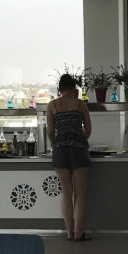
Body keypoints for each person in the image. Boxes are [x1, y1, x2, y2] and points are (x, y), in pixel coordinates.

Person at [46, 74, 92, 241]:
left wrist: (57, 142)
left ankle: (69, 232)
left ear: (59, 89)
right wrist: (79, 139)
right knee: (80, 194)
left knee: (66, 192)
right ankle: (78, 232)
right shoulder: (80, 104)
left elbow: (50, 131)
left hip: (60, 150)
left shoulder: (52, 105)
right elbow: (88, 130)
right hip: (79, 150)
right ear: (74, 89)